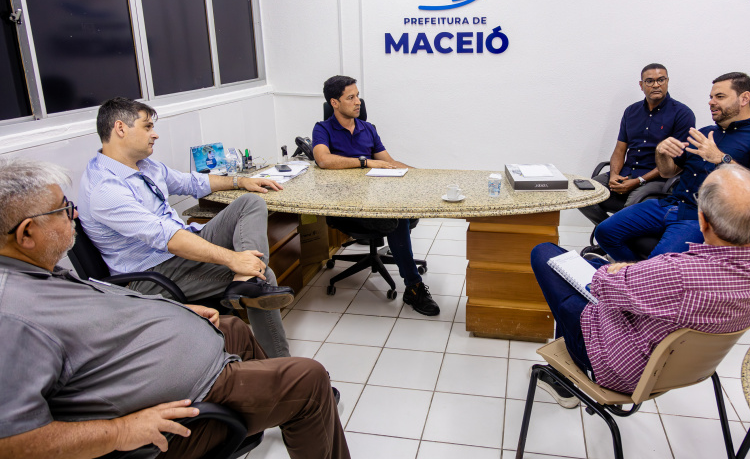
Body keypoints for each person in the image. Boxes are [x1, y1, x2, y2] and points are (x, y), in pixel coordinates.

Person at [0, 159, 350, 459]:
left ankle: (258, 396)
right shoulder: (11, 316)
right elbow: (11, 441)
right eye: (63, 209)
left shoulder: (36, 270)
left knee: (234, 327)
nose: (74, 215)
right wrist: (120, 431)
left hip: (162, 354)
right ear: (27, 233)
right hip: (179, 405)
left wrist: (181, 314)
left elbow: (104, 301)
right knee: (309, 379)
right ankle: (276, 392)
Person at [531, 164, 750, 406]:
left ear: (701, 220)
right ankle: (562, 375)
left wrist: (623, 270)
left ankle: (571, 373)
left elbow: (601, 286)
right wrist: (633, 271)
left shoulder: (677, 273)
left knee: (546, 254)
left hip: (622, 370)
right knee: (590, 264)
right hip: (685, 367)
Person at [78, 97, 294, 358]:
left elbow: (191, 182)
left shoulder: (144, 166)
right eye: (147, 127)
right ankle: (282, 367)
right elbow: (168, 237)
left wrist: (241, 181)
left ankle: (244, 284)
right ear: (120, 128)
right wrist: (234, 259)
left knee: (250, 202)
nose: (154, 134)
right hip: (152, 273)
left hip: (179, 251)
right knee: (264, 275)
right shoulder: (105, 189)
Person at [595, 72, 750, 263]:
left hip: (703, 217)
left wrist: (721, 158)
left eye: (720, 97)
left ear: (744, 98)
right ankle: (635, 271)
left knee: (659, 262)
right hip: (670, 205)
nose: (711, 102)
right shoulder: (703, 133)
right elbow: (668, 172)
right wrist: (660, 153)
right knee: (604, 232)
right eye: (711, 97)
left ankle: (644, 276)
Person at [312, 75, 439, 316]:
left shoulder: (367, 128)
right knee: (398, 219)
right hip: (345, 208)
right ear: (334, 103)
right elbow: (323, 160)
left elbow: (389, 163)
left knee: (399, 214)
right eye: (351, 97)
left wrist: (422, 176)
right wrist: (365, 162)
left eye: (358, 95)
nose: (358, 102)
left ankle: (411, 282)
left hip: (374, 201)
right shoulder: (323, 129)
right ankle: (413, 287)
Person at [579, 63, 695, 227]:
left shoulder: (682, 113)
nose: (656, 85)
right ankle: (608, 233)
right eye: (649, 81)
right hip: (627, 172)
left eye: (661, 80)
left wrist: (639, 180)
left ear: (667, 81)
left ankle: (616, 239)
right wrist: (613, 175)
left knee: (632, 208)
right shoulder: (631, 111)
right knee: (583, 193)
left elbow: (676, 163)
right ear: (641, 85)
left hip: (658, 178)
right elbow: (620, 150)